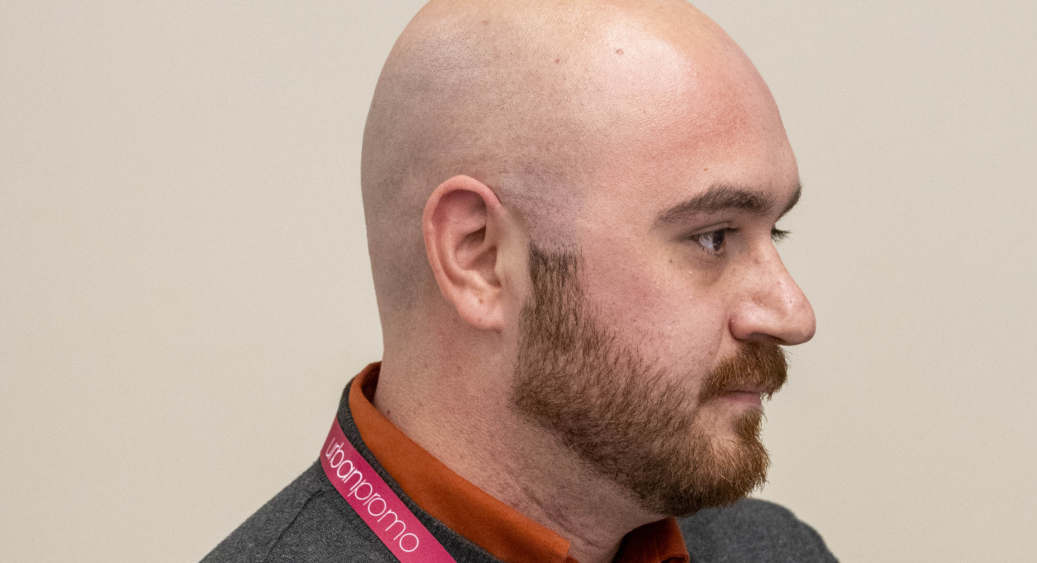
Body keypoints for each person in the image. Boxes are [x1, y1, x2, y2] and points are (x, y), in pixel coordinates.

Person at [204, 1, 834, 562]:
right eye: (713, 237)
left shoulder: (775, 550)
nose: (793, 314)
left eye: (774, 233)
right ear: (479, 258)